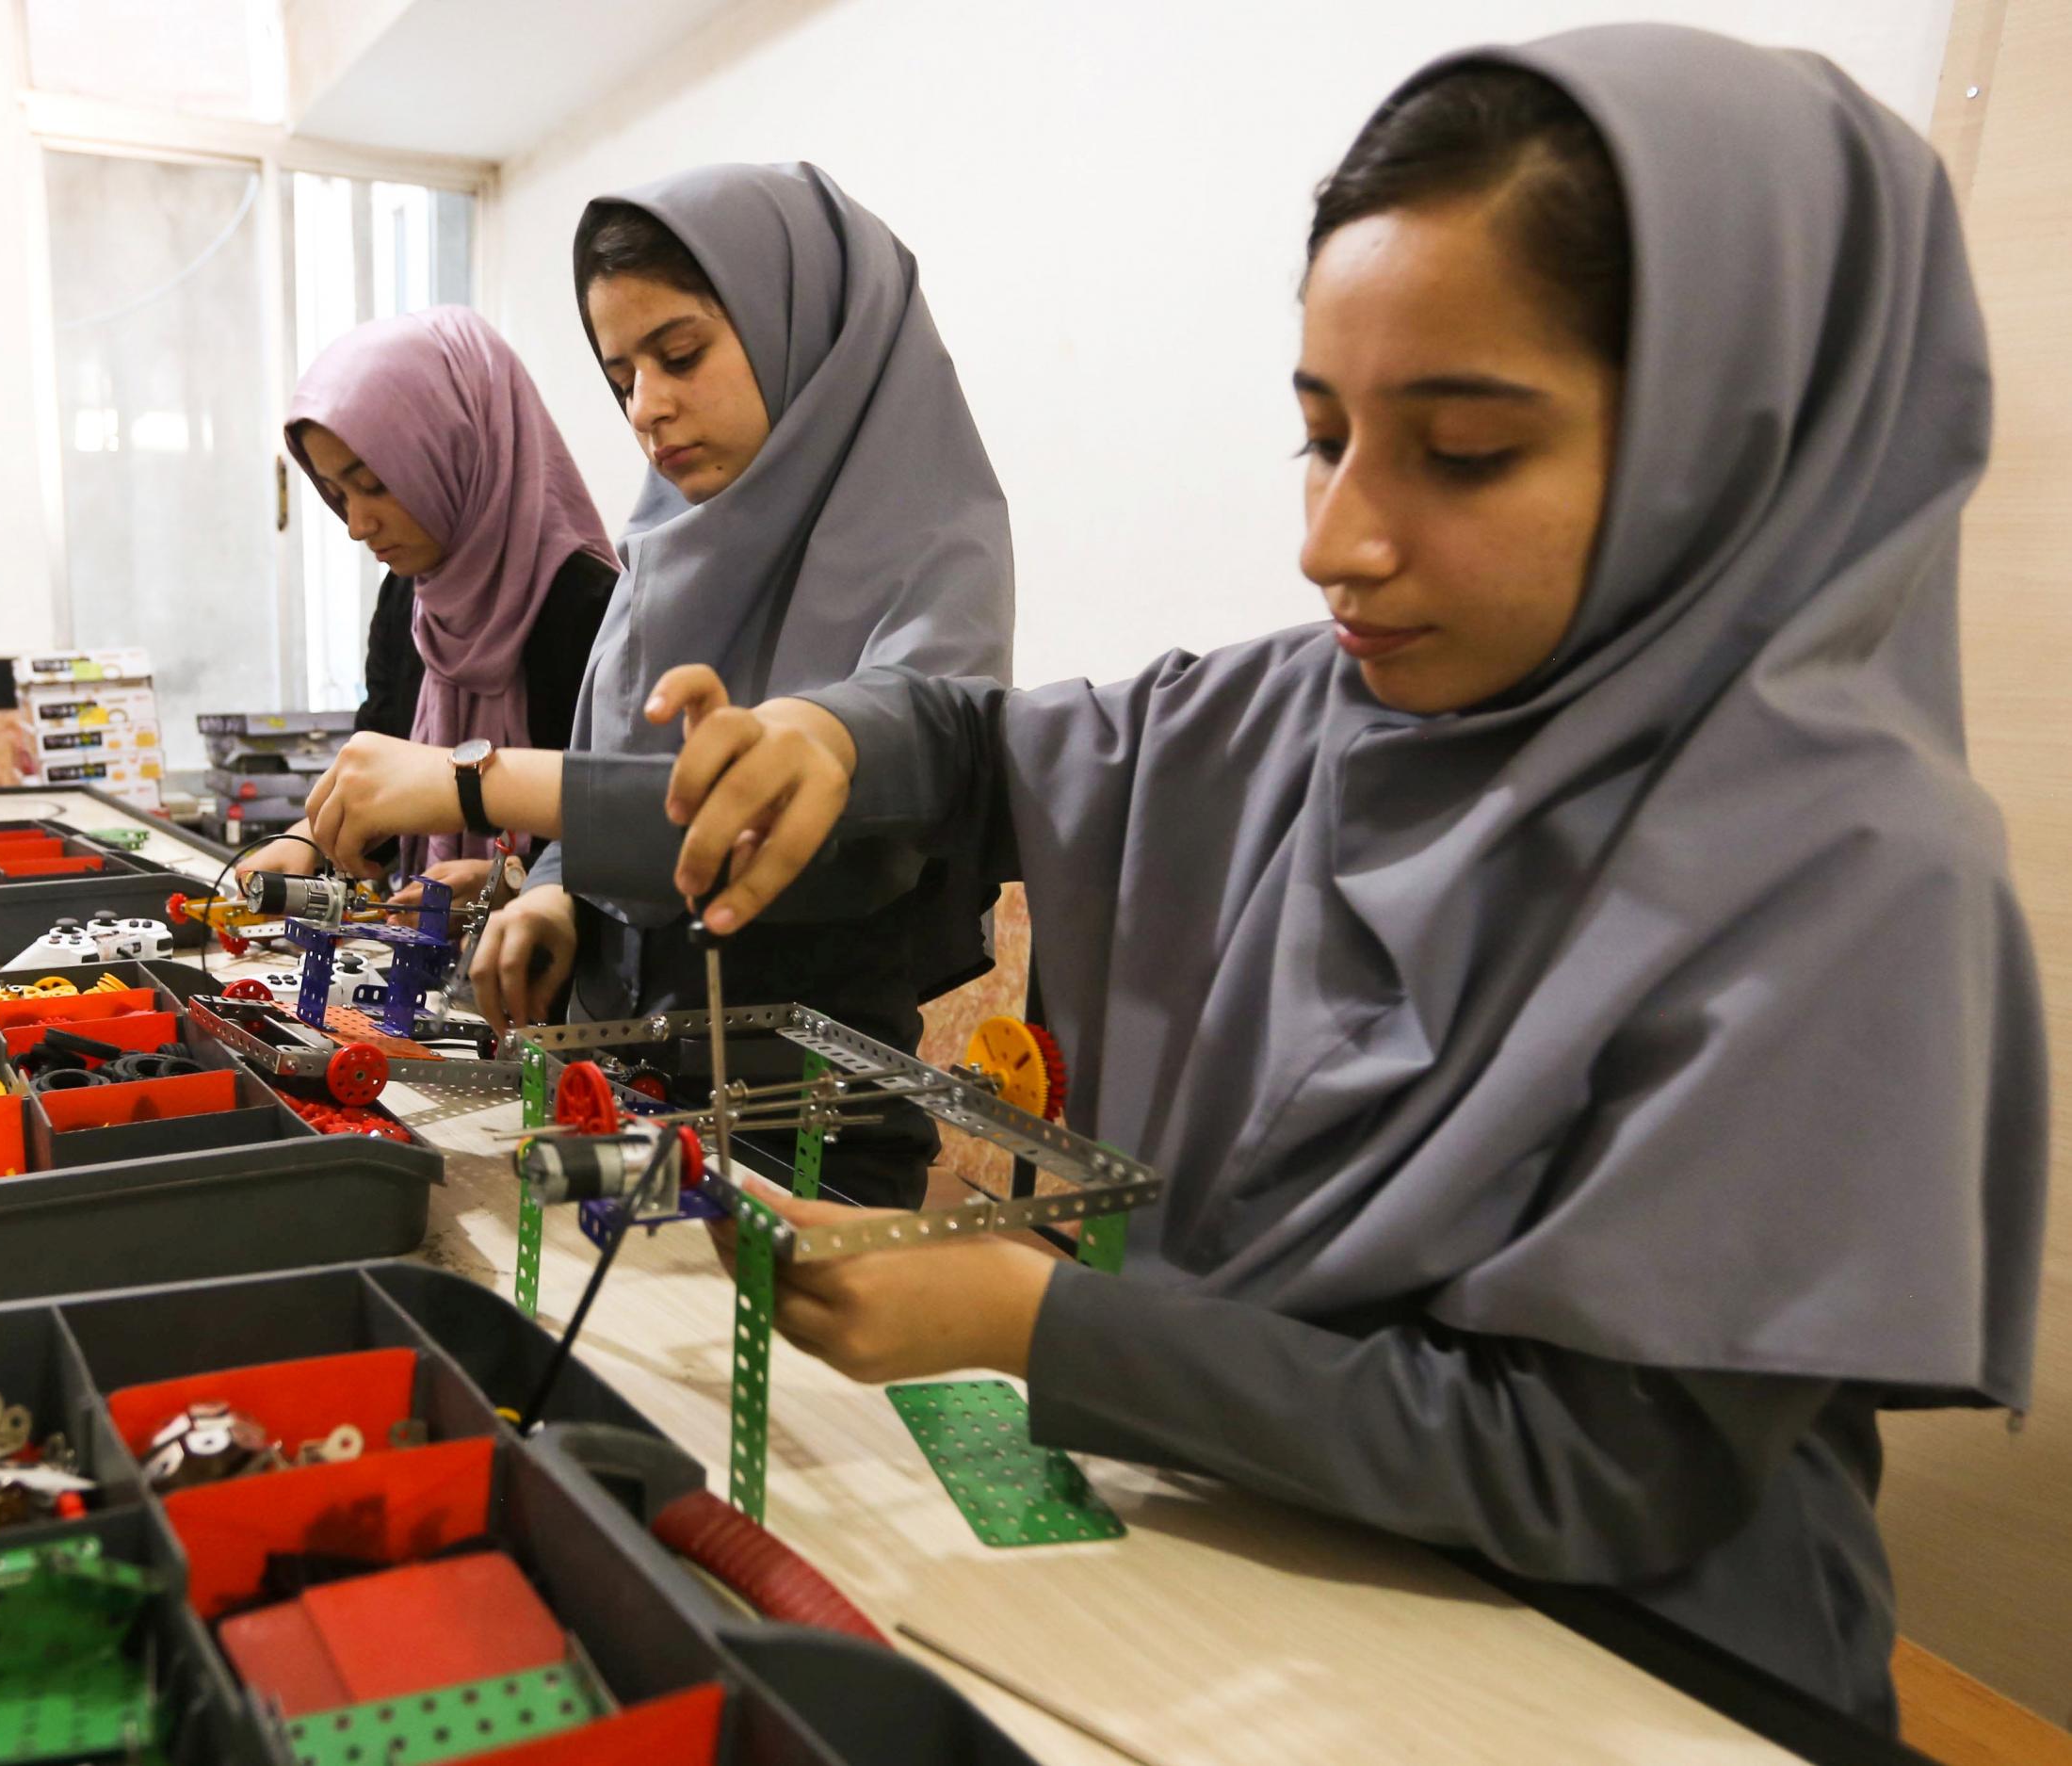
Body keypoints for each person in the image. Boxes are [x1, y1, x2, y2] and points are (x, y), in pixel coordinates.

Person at [545, 29, 2042, 1728]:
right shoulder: (1326, 706)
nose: (1337, 539)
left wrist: (1036, 1325)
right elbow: (990, 746)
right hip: (1281, 1562)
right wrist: (832, 733)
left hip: (1637, 1680)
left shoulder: (1856, 878)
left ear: (1736, 432)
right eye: (1318, 439)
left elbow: (1601, 1470)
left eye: (1464, 450)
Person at [311, 165, 1014, 1207]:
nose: (648, 407)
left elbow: (786, 809)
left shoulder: (935, 567)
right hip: (620, 1095)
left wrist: (471, 785)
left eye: (680, 355)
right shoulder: (666, 551)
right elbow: (620, 780)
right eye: (622, 375)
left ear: (805, 331)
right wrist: (556, 892)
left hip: (803, 1138)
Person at [243, 306, 619, 901]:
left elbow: (624, 824)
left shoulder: (588, 608)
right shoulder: (408, 595)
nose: (357, 524)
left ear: (458, 449)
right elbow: (380, 772)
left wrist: (512, 884)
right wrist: (309, 839)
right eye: (338, 494)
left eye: (375, 484)